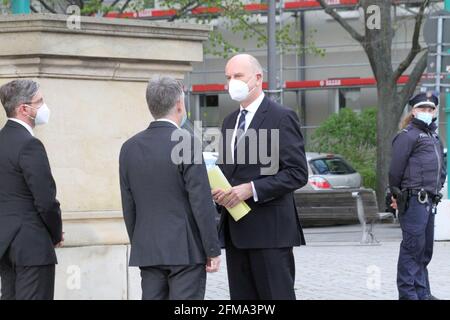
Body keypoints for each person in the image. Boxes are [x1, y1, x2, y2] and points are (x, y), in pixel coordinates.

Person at [212, 54, 308, 300]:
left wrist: (252, 188)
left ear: (258, 78)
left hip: (270, 233)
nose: (232, 82)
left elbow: (297, 173)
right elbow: (227, 170)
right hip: (236, 231)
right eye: (228, 78)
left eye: (238, 76)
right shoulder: (229, 121)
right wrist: (217, 190)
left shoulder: (281, 116)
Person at [119, 76, 221, 300]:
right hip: (185, 249)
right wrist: (212, 249)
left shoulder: (128, 148)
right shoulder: (186, 141)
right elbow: (200, 201)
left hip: (148, 249)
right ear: (179, 105)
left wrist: (140, 242)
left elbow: (129, 205)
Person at [0, 80, 63, 300]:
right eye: (40, 101)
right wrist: (55, 233)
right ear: (24, 109)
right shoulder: (29, 144)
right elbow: (45, 199)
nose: (44, 107)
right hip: (32, 245)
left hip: (5, 245)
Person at [389, 91, 446, 300]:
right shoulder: (407, 135)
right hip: (413, 199)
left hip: (429, 200)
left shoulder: (433, 136)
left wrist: (438, 187)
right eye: (422, 108)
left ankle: (423, 293)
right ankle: (407, 294)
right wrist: (394, 192)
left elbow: (442, 167)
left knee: (425, 250)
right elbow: (395, 169)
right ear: (413, 111)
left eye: (430, 109)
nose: (427, 112)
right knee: (412, 249)